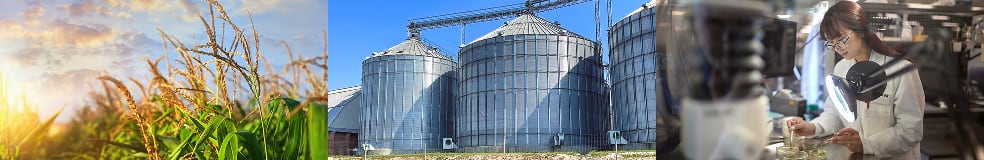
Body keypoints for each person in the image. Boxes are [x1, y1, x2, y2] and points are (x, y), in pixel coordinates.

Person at [785, 1, 926, 159]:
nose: (837, 47)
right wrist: (812, 127)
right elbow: (835, 114)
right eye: (831, 42)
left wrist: (866, 144)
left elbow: (910, 130)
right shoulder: (841, 68)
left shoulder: (899, 70)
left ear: (861, 30)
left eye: (841, 38)